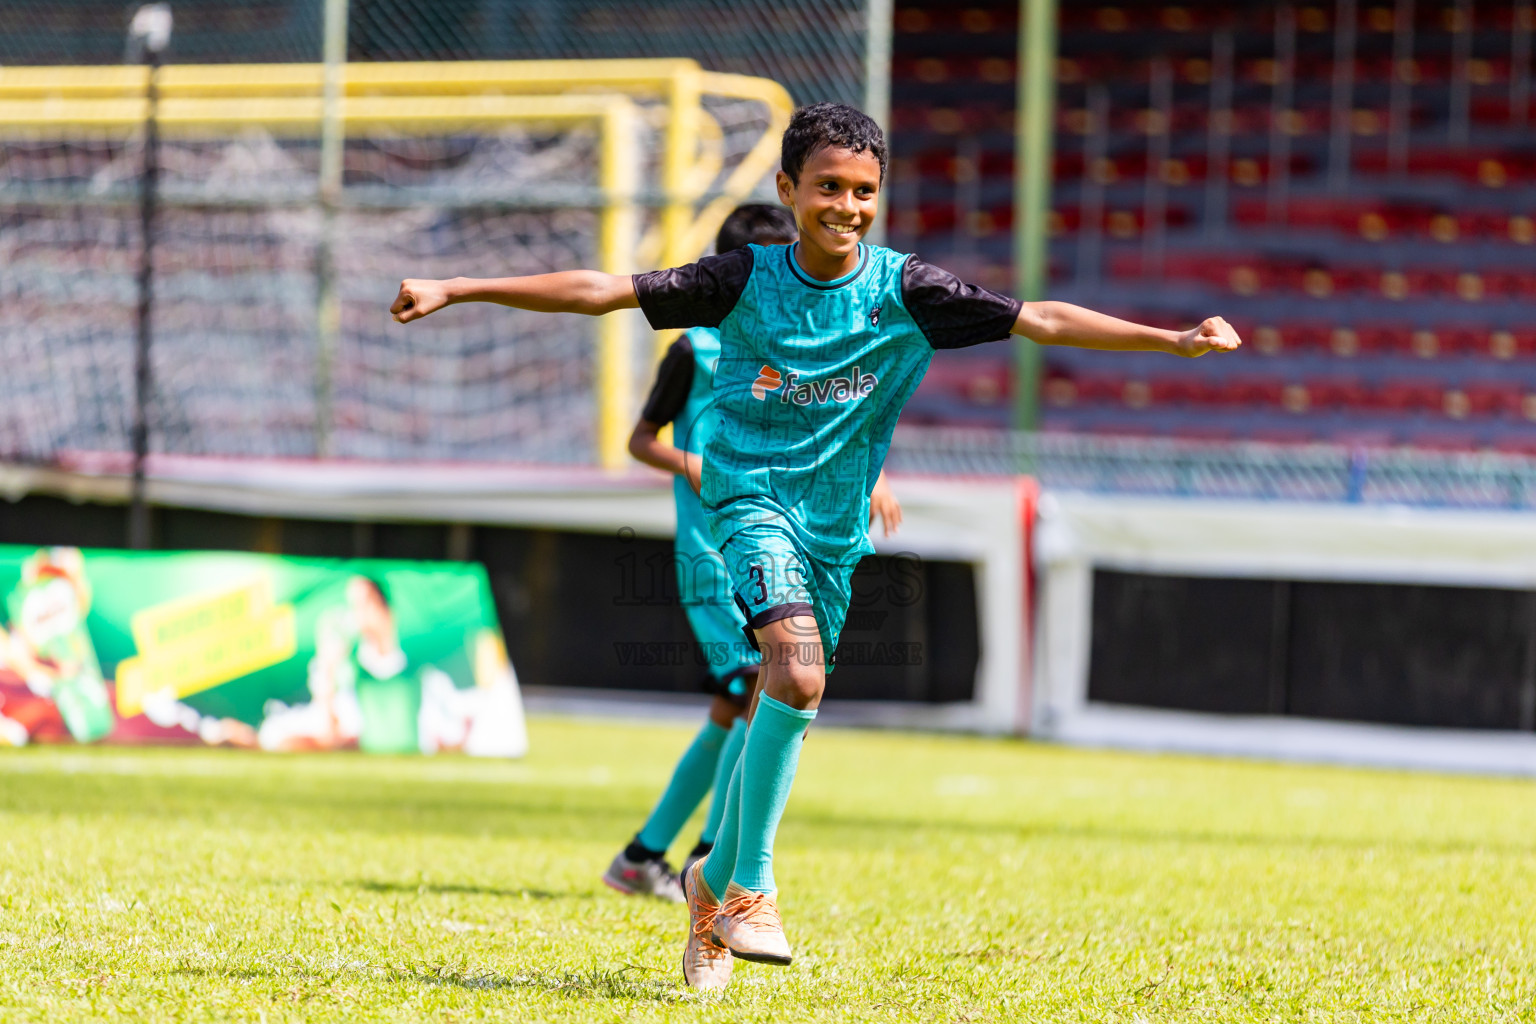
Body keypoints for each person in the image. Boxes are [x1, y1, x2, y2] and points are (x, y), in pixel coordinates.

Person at [389, 101, 1241, 990]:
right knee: (792, 674)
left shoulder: (908, 290)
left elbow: (1044, 321)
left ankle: (709, 894)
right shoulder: (740, 279)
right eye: (828, 186)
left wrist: (1169, 339)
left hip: (835, 533)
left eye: (865, 190)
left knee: (784, 696)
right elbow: (603, 290)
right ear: (790, 190)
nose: (848, 205)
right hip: (748, 503)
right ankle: (747, 885)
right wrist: (459, 287)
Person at [600, 203, 902, 903]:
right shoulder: (697, 347)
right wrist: (696, 465)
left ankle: (646, 855)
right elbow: (639, 441)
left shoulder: (797, 348)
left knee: (744, 702)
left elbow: (826, 422)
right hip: (714, 550)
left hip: (782, 545)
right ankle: (705, 856)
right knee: (750, 691)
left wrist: (873, 475)